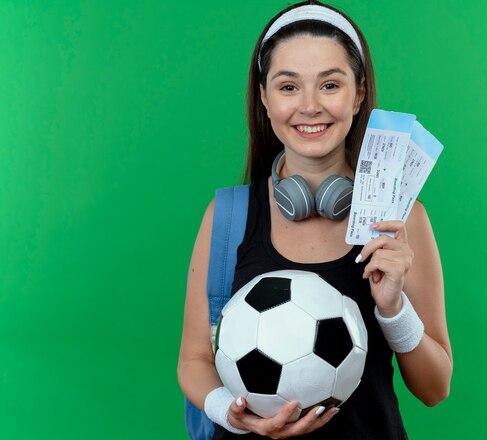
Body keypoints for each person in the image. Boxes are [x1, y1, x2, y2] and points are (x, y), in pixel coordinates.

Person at [178, 1, 452, 438]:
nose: (310, 107)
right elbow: (193, 360)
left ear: (359, 93)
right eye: (289, 87)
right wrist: (230, 411)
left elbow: (435, 388)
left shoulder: (401, 220)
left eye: (329, 84)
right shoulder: (228, 216)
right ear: (264, 97)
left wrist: (394, 308)